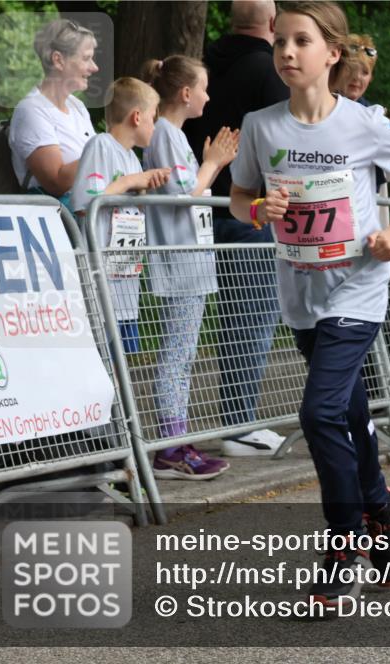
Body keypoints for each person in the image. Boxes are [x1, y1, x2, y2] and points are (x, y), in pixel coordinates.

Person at [227, 1, 390, 607]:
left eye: (301, 42)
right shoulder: (261, 125)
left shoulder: (364, 123)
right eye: (279, 42)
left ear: (332, 53)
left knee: (318, 414)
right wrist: (260, 210)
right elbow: (238, 199)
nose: (286, 52)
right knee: (348, 412)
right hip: (303, 293)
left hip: (359, 287)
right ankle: (381, 514)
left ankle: (344, 548)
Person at [69, 79, 232, 481]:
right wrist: (130, 185)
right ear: (137, 116)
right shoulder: (102, 147)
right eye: (153, 117)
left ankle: (116, 454)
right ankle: (102, 454)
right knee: (104, 369)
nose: (155, 125)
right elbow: (86, 203)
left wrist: (141, 183)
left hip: (126, 284)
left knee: (117, 369)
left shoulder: (129, 157)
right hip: (102, 282)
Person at [182, 0, 290, 455]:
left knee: (200, 327)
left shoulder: (206, 67)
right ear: (271, 24)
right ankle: (239, 424)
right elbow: (283, 147)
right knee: (251, 322)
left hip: (199, 212)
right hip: (251, 212)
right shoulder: (269, 72)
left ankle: (194, 427)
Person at [140, 56, 242, 472]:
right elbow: (185, 195)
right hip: (179, 258)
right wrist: (213, 164)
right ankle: (171, 444)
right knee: (177, 356)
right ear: (185, 93)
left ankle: (177, 441)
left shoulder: (172, 135)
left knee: (183, 356)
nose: (208, 95)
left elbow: (189, 189)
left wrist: (209, 165)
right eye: (202, 88)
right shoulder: (165, 134)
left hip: (190, 259)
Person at [9, 18, 99, 208]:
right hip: (58, 226)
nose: (94, 67)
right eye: (86, 58)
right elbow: (56, 182)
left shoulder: (78, 107)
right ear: (58, 60)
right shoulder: (32, 110)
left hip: (88, 219)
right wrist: (106, 146)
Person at [334, 33, 390, 135]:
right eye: (350, 69)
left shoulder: (373, 114)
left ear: (371, 77)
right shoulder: (319, 106)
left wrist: (387, 132)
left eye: (364, 72)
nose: (357, 77)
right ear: (336, 70)